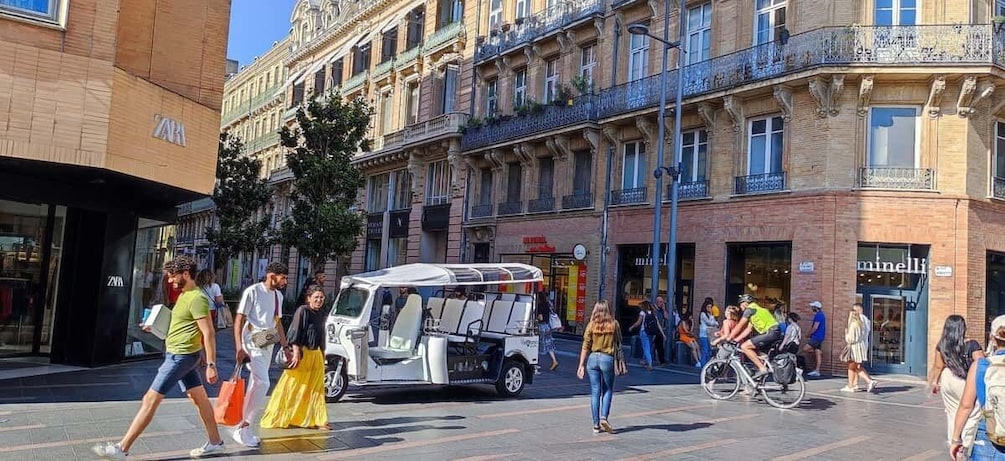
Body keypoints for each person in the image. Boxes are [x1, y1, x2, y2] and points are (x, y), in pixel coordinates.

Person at [93, 256, 223, 459]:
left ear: (185, 274)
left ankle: (122, 449)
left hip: (180, 358)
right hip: (181, 355)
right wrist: (154, 326)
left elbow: (208, 332)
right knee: (199, 398)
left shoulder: (197, 298)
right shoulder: (184, 295)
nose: (170, 281)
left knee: (150, 399)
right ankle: (216, 442)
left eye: (172, 276)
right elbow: (181, 325)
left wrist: (212, 364)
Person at [232, 262, 290, 448]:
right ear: (272, 275)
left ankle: (243, 428)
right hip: (251, 341)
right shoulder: (253, 291)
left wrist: (285, 346)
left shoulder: (278, 296)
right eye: (283, 277)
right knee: (263, 382)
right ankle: (244, 424)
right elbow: (239, 319)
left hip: (267, 341)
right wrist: (239, 347)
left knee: (256, 383)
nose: (285, 281)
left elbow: (278, 322)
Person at [261, 286, 330, 430]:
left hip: (316, 354)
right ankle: (279, 417)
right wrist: (296, 352)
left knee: (316, 389)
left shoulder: (322, 313)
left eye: (321, 297)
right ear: (309, 298)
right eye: (316, 297)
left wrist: (323, 354)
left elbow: (322, 335)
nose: (319, 300)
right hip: (303, 354)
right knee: (292, 386)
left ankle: (317, 419)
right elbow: (295, 332)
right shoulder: (303, 311)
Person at [952, 315, 1005, 461]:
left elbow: (966, 406)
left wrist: (956, 439)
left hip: (990, 434)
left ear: (992, 338)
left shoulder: (981, 365)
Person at [929, 315, 984, 456]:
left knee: (952, 413)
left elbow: (937, 366)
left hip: (947, 380)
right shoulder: (972, 345)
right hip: (965, 381)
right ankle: (964, 443)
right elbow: (982, 365)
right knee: (971, 413)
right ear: (962, 328)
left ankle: (953, 441)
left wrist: (935, 382)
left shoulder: (942, 345)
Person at [577, 300, 622, 434]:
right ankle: (604, 417)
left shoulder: (591, 325)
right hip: (607, 359)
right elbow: (619, 341)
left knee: (595, 391)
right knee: (607, 389)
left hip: (592, 359)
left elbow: (585, 345)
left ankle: (596, 424)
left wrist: (581, 365)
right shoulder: (614, 324)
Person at [726, 294, 781, 380]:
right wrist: (736, 339)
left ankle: (762, 369)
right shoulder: (757, 310)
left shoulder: (749, 310)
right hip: (775, 333)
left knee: (744, 346)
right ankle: (757, 384)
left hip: (770, 332)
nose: (740, 307)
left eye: (740, 304)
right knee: (758, 353)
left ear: (745, 303)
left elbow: (740, 325)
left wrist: (729, 337)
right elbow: (748, 329)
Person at [841, 303, 877, 393]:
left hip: (855, 347)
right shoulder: (863, 322)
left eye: (853, 310)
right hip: (862, 346)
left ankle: (866, 381)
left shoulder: (855, 324)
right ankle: (854, 384)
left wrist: (846, 334)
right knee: (855, 366)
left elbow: (851, 339)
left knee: (852, 366)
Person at [628, 301, 658, 371]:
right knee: (648, 347)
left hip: (644, 331)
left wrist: (631, 327)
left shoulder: (642, 313)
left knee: (646, 348)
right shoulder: (653, 313)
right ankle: (644, 360)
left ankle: (650, 364)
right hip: (651, 332)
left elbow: (638, 322)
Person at [536, 290, 560, 371]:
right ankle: (554, 360)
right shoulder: (548, 304)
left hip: (541, 327)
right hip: (548, 326)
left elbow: (540, 318)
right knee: (548, 345)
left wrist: (535, 317)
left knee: (536, 344)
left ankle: (535, 363)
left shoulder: (540, 306)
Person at [803, 301, 826, 378]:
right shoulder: (822, 315)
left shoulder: (818, 315)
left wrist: (809, 334)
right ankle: (817, 370)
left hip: (816, 337)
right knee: (817, 353)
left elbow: (815, 327)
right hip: (820, 337)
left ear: (816, 308)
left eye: (812, 307)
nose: (811, 308)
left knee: (804, 349)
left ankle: (817, 370)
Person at [698, 300, 719, 365]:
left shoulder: (711, 315)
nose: (710, 308)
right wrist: (714, 322)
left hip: (709, 334)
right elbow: (709, 323)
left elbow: (716, 323)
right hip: (704, 334)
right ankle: (703, 364)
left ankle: (708, 364)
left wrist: (714, 320)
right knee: (705, 349)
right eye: (708, 307)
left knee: (710, 350)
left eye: (710, 307)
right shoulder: (703, 314)